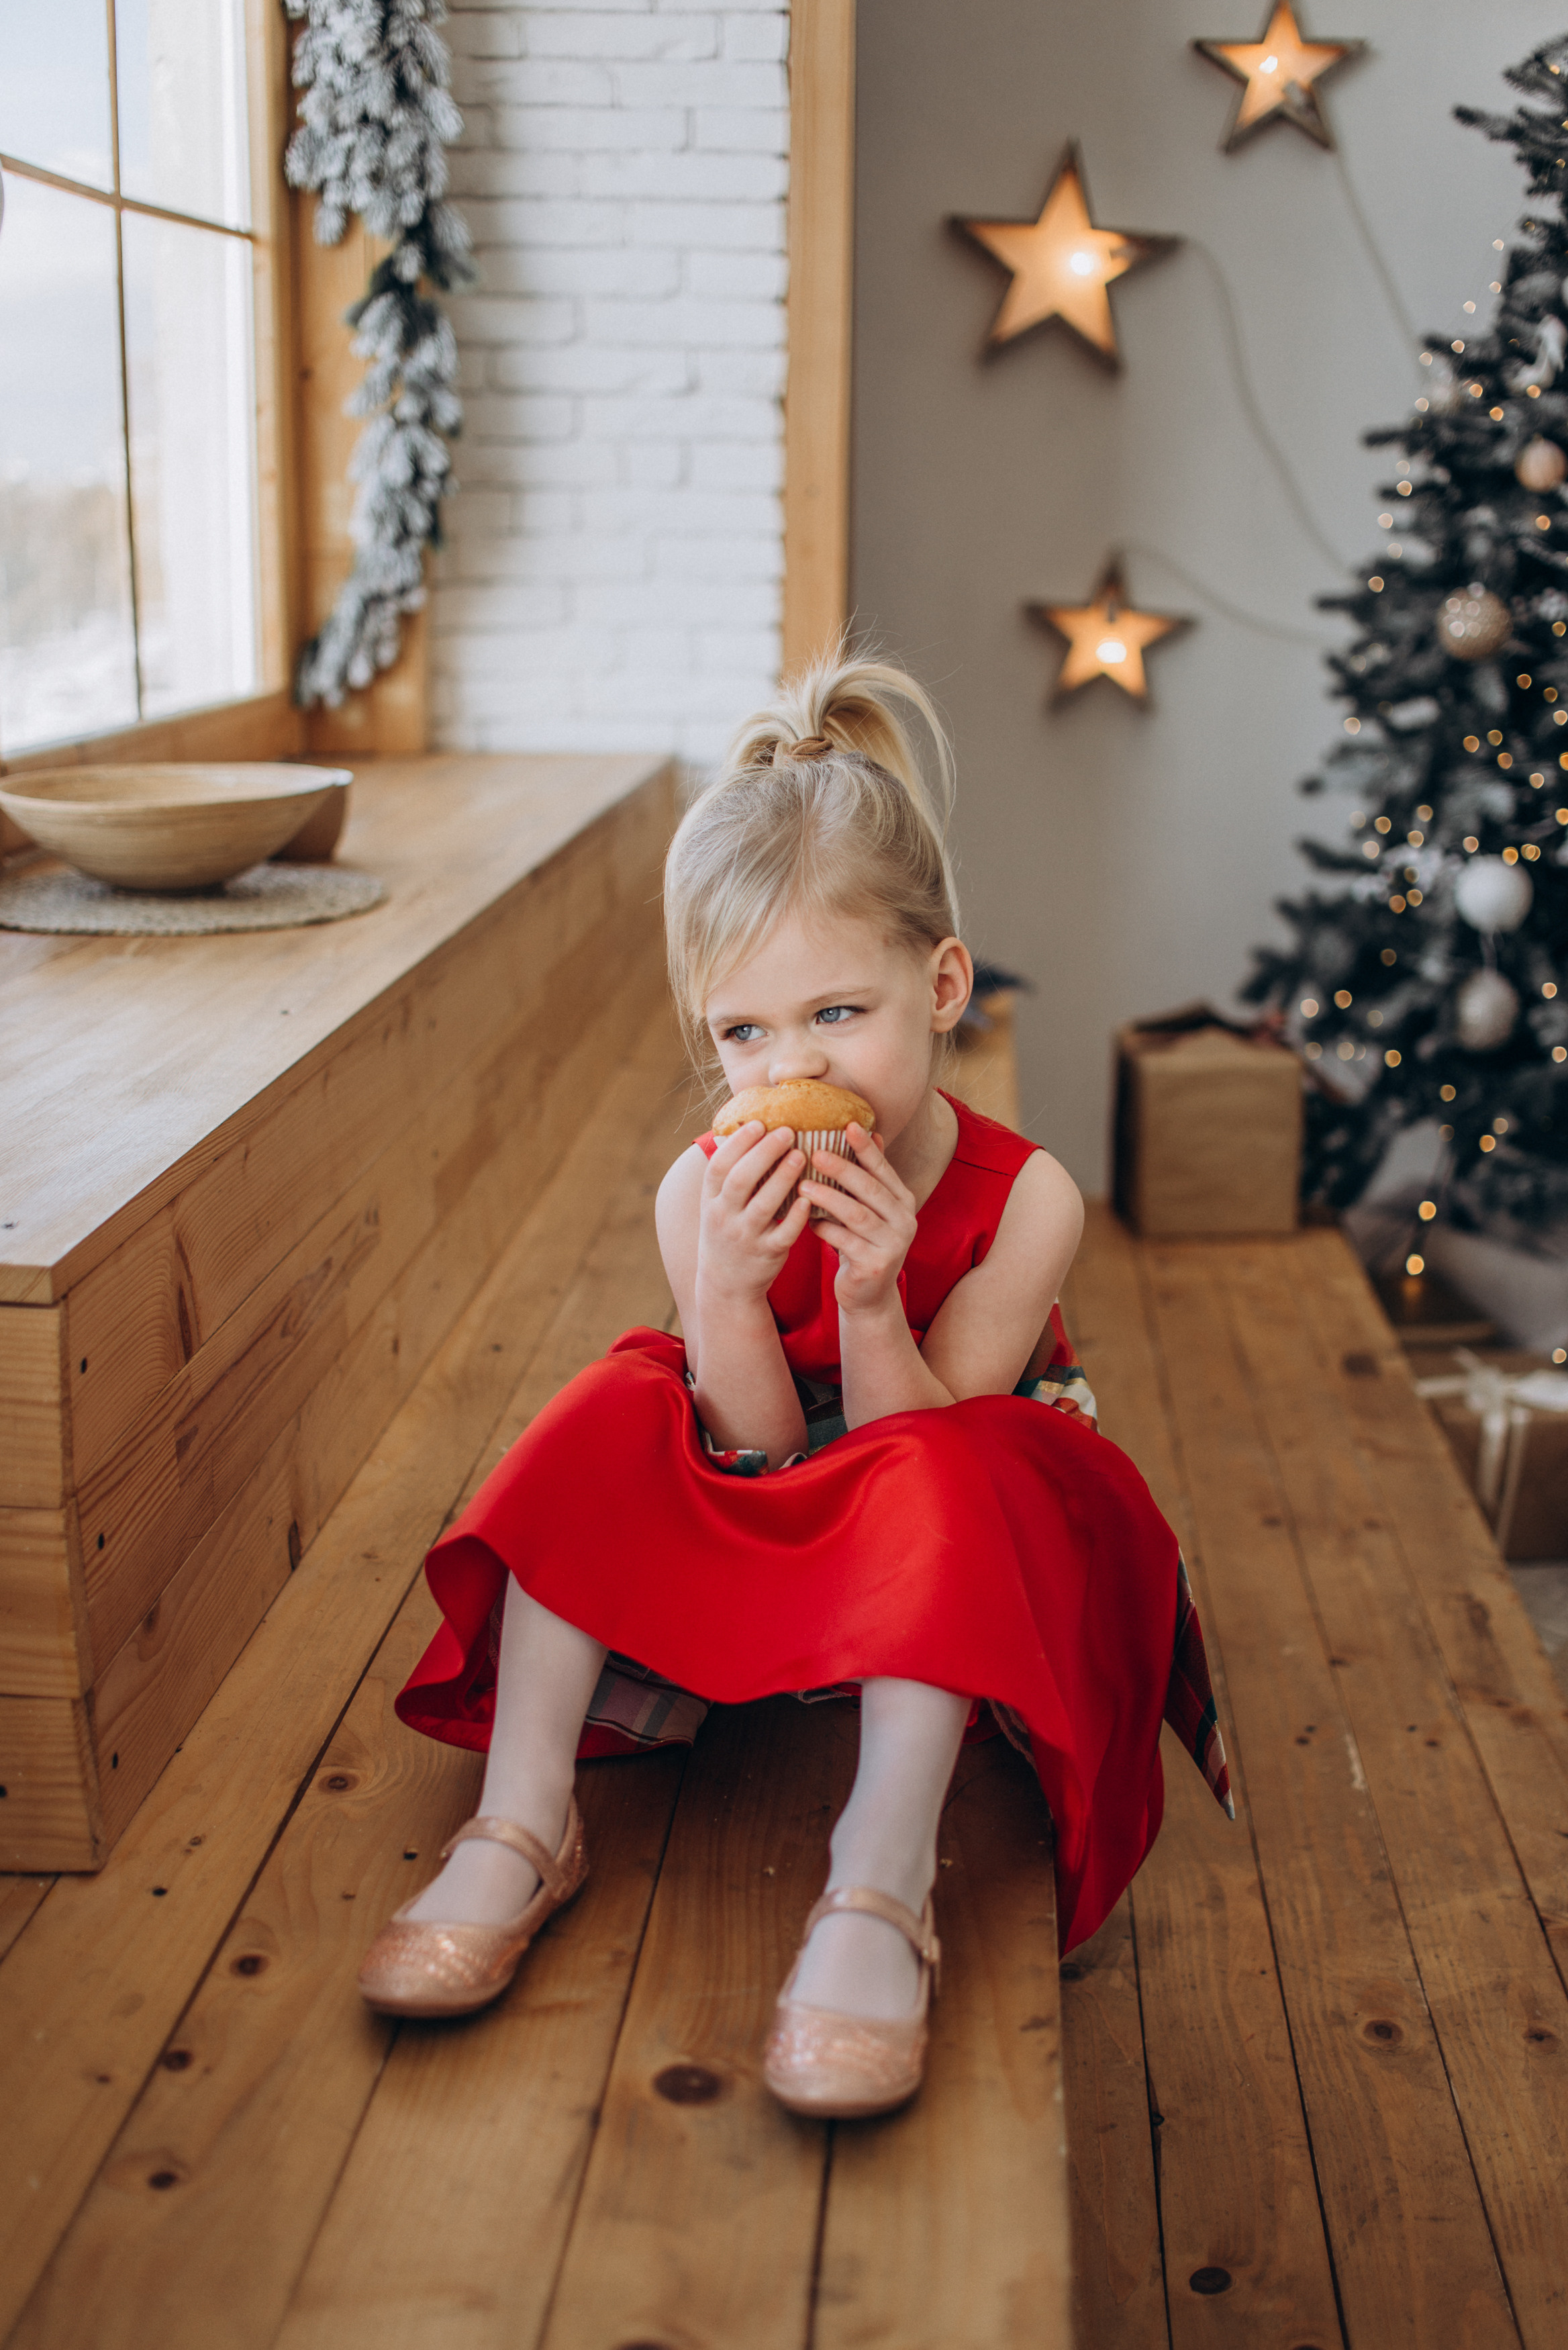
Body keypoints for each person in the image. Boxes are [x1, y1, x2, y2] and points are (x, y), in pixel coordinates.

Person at [358, 654, 1229, 2118]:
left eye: (837, 1013)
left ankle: (879, 1883)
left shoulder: (1028, 1201)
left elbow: (922, 1464)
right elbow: (753, 1444)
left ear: (941, 988)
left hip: (942, 1513)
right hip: (781, 1493)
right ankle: (521, 1820)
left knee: (947, 1464)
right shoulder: (698, 1191)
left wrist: (873, 1296)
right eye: (744, 1033)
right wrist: (723, 1290)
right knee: (609, 1405)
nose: (789, 1069)